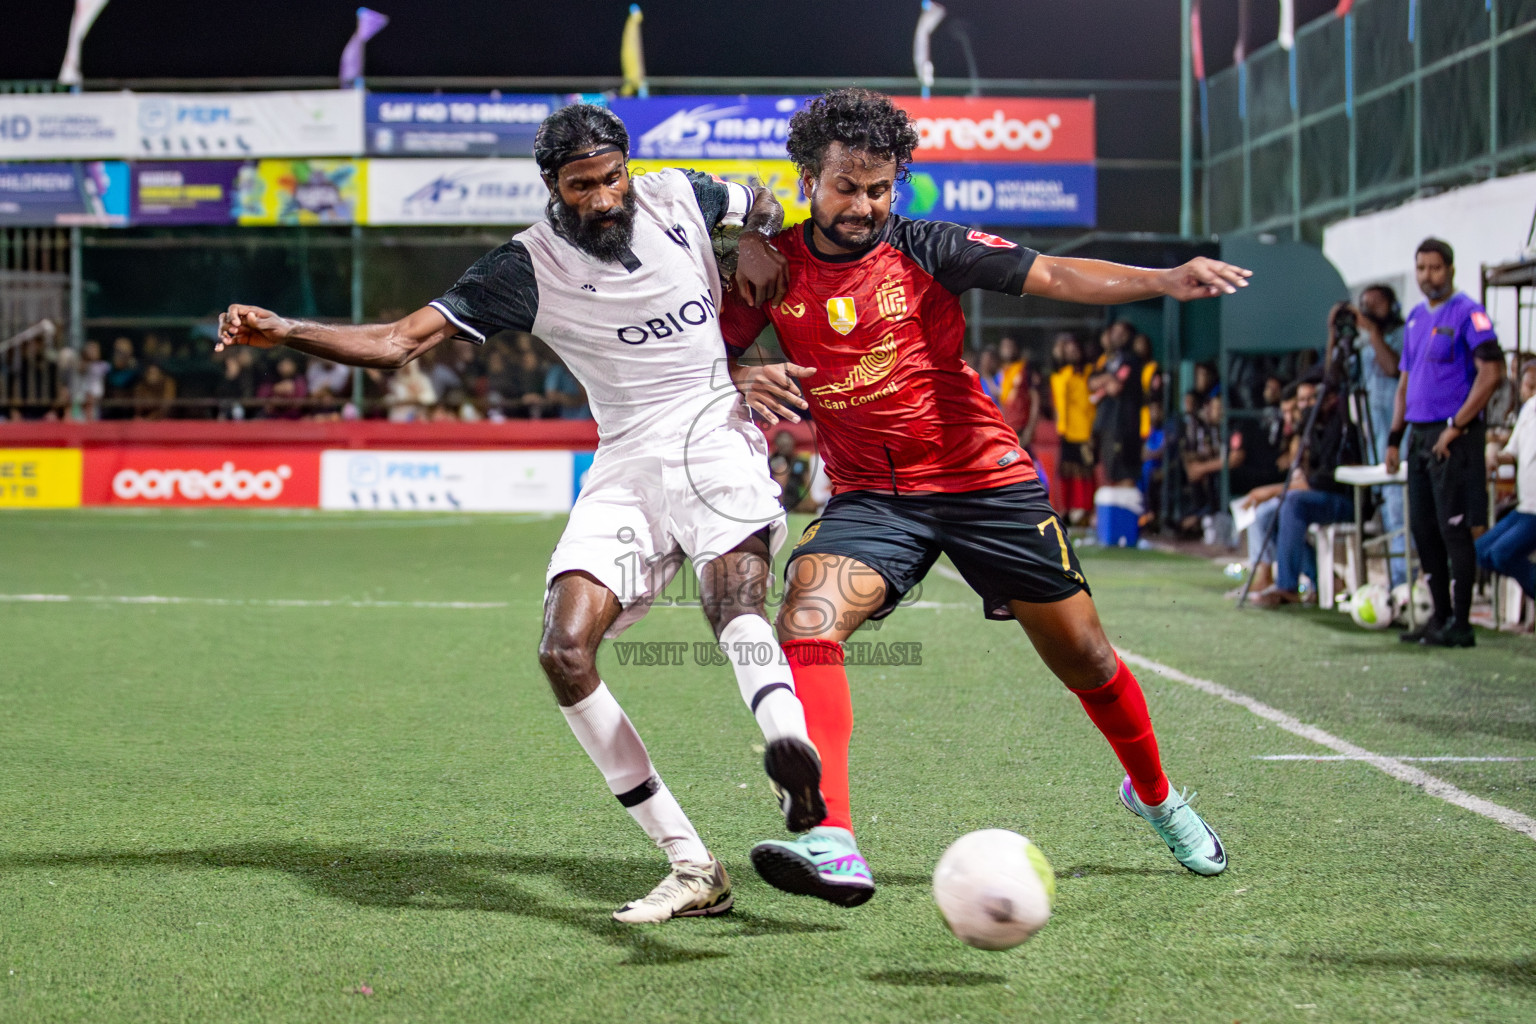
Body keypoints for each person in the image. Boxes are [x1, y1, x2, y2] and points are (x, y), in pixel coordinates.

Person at [216, 104, 821, 924]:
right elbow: (398, 341)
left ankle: (791, 748)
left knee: (732, 600)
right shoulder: (522, 268)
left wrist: (757, 236)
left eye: (612, 178)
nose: (604, 199)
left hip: (714, 431)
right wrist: (286, 332)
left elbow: (766, 200)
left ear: (628, 167)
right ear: (552, 186)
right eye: (582, 186)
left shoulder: (682, 194)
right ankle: (691, 865)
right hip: (624, 460)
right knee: (563, 650)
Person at [722, 88, 1249, 904]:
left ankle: (1154, 795)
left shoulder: (930, 246)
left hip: (984, 482)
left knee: (1088, 657)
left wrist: (1167, 279)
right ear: (808, 180)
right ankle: (833, 840)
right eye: (846, 188)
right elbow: (686, 353)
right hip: (874, 495)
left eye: (878, 189)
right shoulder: (768, 268)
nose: (864, 206)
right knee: (808, 617)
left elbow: (1054, 273)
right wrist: (739, 358)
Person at [1385, 238, 1505, 647]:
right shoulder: (1416, 318)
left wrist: (1457, 424)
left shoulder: (1469, 313)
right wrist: (1394, 437)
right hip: (1419, 436)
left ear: (1450, 269)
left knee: (1454, 529)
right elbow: (1404, 382)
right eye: (1420, 268)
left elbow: (1492, 373)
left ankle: (1462, 623)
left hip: (1453, 436)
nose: (1427, 276)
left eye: (1435, 268)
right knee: (1423, 527)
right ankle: (1438, 616)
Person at [1249, 380, 1367, 607]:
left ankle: (1288, 586)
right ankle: (1323, 579)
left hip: (1346, 499)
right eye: (1301, 400)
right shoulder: (1310, 430)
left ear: (1329, 400)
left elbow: (1326, 479)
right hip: (1316, 498)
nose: (1304, 406)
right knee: (1267, 516)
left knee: (1291, 503)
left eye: (1310, 399)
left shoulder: (1342, 427)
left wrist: (1281, 489)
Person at [1328, 285, 1407, 586]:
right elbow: (1333, 378)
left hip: (1401, 443)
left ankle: (1404, 587)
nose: (1370, 310)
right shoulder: (1360, 348)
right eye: (1365, 305)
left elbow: (1392, 369)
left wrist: (1373, 332)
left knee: (1401, 516)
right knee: (1390, 516)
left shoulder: (1400, 336)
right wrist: (1334, 334)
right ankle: (1397, 583)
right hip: (1374, 445)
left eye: (1378, 304)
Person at [1478, 363, 1536, 603]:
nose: (1531, 391)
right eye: (1529, 385)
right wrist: (1492, 452)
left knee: (1502, 554)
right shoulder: (1527, 412)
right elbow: (1511, 451)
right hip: (1525, 506)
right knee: (1482, 551)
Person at [1089, 320, 1145, 486]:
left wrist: (1104, 381)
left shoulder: (1131, 360)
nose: (1116, 336)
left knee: (1124, 471)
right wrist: (1107, 378)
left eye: (1122, 333)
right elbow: (1091, 383)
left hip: (1124, 424)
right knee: (1107, 469)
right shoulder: (1105, 360)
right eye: (1114, 331)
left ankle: (1124, 509)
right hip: (1106, 423)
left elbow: (1115, 388)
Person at [1050, 333, 1095, 522]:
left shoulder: (1088, 373)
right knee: (1066, 470)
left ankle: (1085, 509)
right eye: (1067, 351)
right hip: (1066, 430)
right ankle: (1066, 509)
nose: (1071, 354)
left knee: (1084, 471)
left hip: (1084, 430)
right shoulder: (1060, 375)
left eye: (1074, 350)